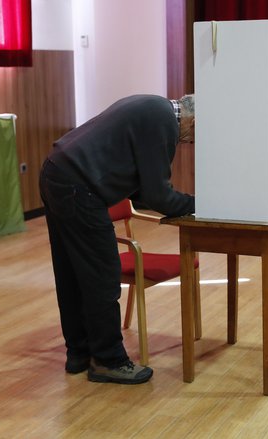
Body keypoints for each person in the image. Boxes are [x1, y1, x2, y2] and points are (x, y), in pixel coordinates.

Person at [39, 94, 196, 384]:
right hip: (78, 186)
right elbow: (156, 194)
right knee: (102, 275)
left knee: (72, 273)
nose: (186, 142)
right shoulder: (164, 123)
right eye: (191, 138)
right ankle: (108, 360)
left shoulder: (154, 106)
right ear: (193, 122)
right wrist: (199, 205)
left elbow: (138, 183)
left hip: (56, 171)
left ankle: (79, 354)